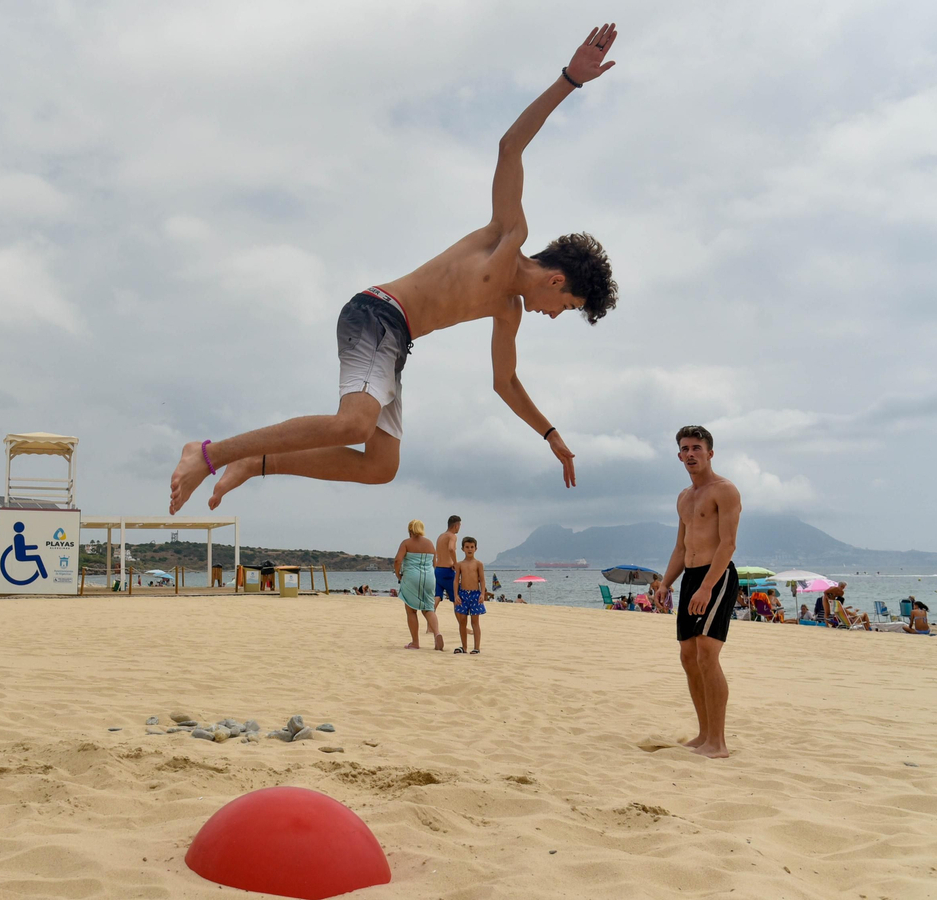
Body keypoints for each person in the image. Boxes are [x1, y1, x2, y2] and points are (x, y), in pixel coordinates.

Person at [166, 25, 622, 514]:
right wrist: (568, 81)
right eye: (566, 306)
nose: (555, 315)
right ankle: (209, 453)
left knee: (380, 466)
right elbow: (510, 148)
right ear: (558, 281)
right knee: (353, 426)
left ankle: (254, 464)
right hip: (379, 314)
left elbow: (505, 382)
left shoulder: (507, 311)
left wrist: (549, 433)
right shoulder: (508, 239)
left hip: (397, 340)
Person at [653, 425, 742, 760]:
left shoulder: (725, 491)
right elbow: (680, 547)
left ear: (710, 453)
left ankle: (718, 743)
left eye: (696, 448)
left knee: (707, 654)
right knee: (688, 657)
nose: (690, 454)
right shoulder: (684, 497)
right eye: (685, 449)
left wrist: (707, 586)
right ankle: (704, 734)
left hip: (715, 577)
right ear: (679, 455)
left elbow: (728, 544)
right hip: (690, 576)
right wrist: (665, 583)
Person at [394, 519, 444, 651]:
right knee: (428, 608)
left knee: (411, 610)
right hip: (429, 577)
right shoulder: (429, 543)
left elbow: (398, 560)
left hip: (411, 577)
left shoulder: (406, 543)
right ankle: (437, 633)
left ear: (410, 530)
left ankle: (415, 642)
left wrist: (398, 574)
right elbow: (434, 562)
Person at [452, 536, 487, 654]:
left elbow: (482, 580)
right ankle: (464, 647)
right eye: (467, 547)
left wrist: (482, 594)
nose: (469, 549)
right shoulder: (460, 564)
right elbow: (456, 580)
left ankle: (476, 647)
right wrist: (456, 595)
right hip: (463, 594)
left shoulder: (478, 564)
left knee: (475, 622)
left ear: (476, 548)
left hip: (475, 595)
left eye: (472, 547)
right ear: (462, 549)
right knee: (462, 621)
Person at [434, 515, 462, 610]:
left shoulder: (440, 536)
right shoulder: (452, 536)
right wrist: (455, 563)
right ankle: (461, 624)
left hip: (438, 570)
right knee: (456, 598)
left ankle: (430, 619)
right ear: (456, 526)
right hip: (447, 570)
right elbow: (451, 549)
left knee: (437, 596)